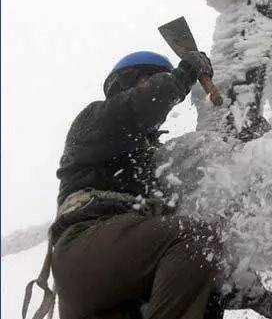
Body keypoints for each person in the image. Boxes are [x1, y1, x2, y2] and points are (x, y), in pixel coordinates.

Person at [40, 49, 224, 319]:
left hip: (131, 276)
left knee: (209, 275)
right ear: (124, 84)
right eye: (149, 80)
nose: (155, 87)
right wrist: (182, 76)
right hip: (86, 249)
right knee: (196, 237)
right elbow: (138, 107)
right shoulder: (93, 123)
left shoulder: (155, 164)